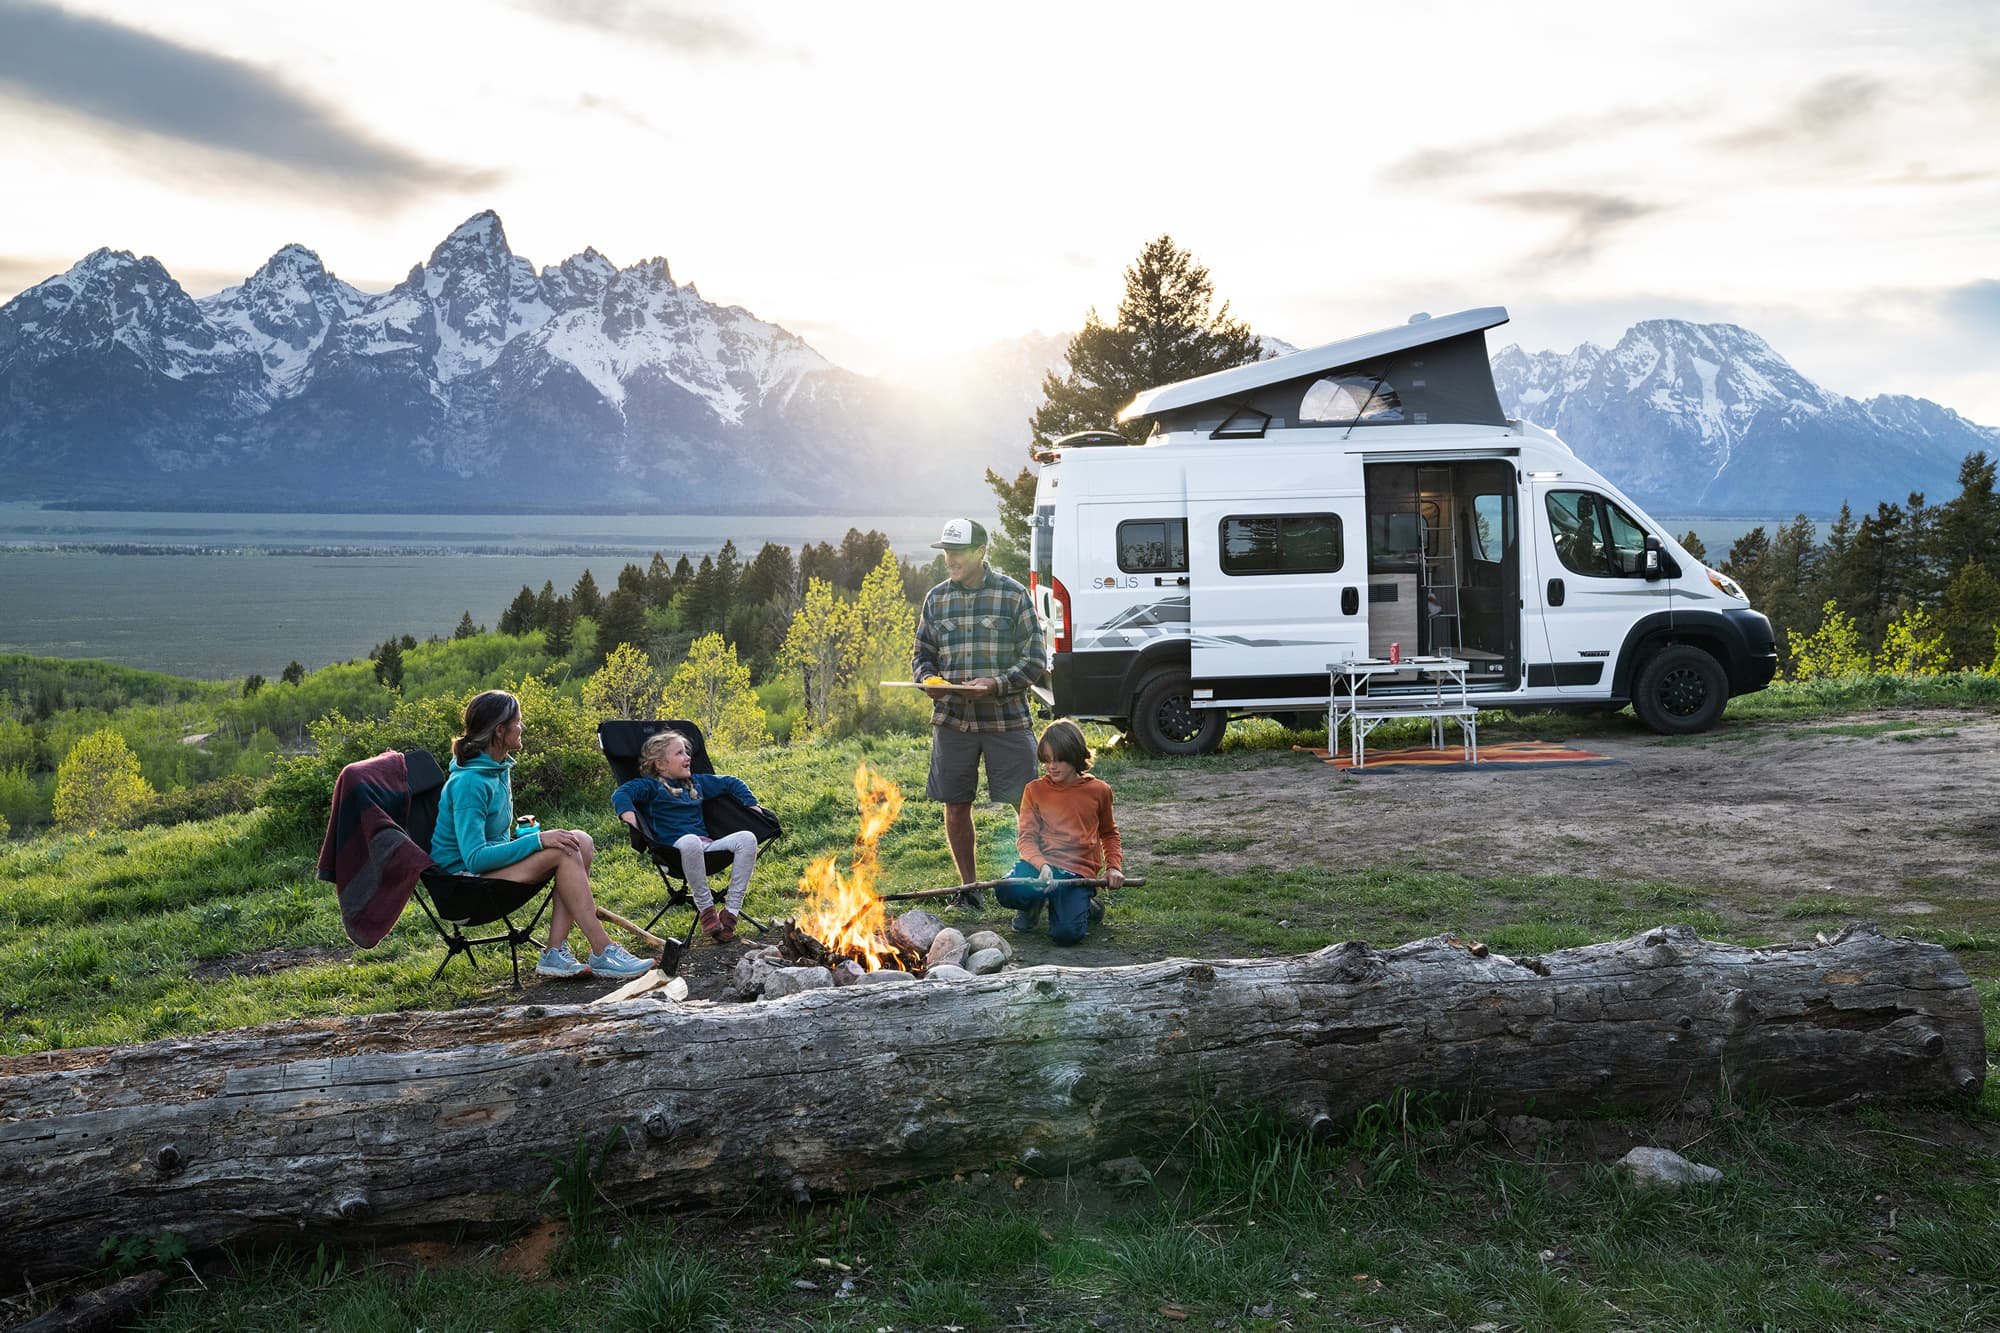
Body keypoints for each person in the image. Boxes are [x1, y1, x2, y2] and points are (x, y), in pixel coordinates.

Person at [431, 690, 655, 980]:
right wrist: (537, 841)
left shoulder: (497, 768)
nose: (523, 727)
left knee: (580, 841)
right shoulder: (470, 782)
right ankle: (602, 950)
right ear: (500, 731)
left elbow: (494, 838)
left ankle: (554, 952)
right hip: (463, 886)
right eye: (519, 722)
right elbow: (474, 858)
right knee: (563, 852)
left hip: (484, 871)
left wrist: (531, 837)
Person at [912, 517, 1049, 884]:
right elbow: (922, 655)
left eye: (957, 551)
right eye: (947, 551)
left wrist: (998, 683)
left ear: (980, 551)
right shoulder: (936, 599)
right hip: (953, 720)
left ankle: (1042, 879)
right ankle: (968, 886)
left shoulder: (1013, 594)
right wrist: (928, 681)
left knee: (1025, 804)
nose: (950, 559)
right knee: (955, 805)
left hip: (1006, 719)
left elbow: (1035, 659)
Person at [611, 729, 764, 943]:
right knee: (690, 840)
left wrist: (751, 804)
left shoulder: (697, 783)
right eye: (680, 753)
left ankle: (731, 913)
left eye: (687, 752)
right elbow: (621, 793)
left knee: (747, 838)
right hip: (673, 852)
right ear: (661, 764)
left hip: (706, 847)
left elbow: (731, 782)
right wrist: (631, 819)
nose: (688, 757)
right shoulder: (651, 787)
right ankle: (707, 910)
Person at [998, 720, 1124, 945]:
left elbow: (1109, 833)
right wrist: (1042, 865)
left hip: (1077, 873)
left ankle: (1086, 903)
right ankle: (1034, 903)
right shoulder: (1034, 790)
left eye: (1059, 759)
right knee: (1007, 890)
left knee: (1065, 935)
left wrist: (1113, 867)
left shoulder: (1099, 791)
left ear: (1076, 756)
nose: (1051, 766)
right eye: (1046, 760)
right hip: (1041, 869)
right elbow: (1026, 838)